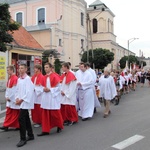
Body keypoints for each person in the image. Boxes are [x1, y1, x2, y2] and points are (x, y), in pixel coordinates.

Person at [37, 62, 63, 136]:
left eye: (47, 67)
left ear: (51, 68)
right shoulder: (44, 77)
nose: (46, 69)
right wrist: (43, 89)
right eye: (45, 67)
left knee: (55, 113)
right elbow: (40, 86)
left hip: (52, 97)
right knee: (45, 113)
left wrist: (50, 90)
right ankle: (45, 130)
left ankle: (59, 126)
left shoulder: (55, 76)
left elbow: (59, 87)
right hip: (46, 97)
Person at [15, 64, 34, 147]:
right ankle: (30, 135)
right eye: (19, 68)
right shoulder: (19, 79)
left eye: (22, 68)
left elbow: (29, 92)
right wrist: (16, 98)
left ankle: (23, 139)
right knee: (26, 118)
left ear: (26, 69)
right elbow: (17, 90)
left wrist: (22, 99)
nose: (20, 69)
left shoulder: (28, 79)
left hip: (25, 101)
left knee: (21, 119)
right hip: (21, 101)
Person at [0, 65, 20, 131]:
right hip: (10, 98)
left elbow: (14, 90)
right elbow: (8, 89)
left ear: (12, 70)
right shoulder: (10, 78)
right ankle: (6, 125)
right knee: (9, 112)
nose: (7, 71)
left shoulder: (15, 78)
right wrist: (6, 96)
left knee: (15, 112)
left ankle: (16, 125)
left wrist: (10, 97)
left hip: (13, 98)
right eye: (7, 70)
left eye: (8, 70)